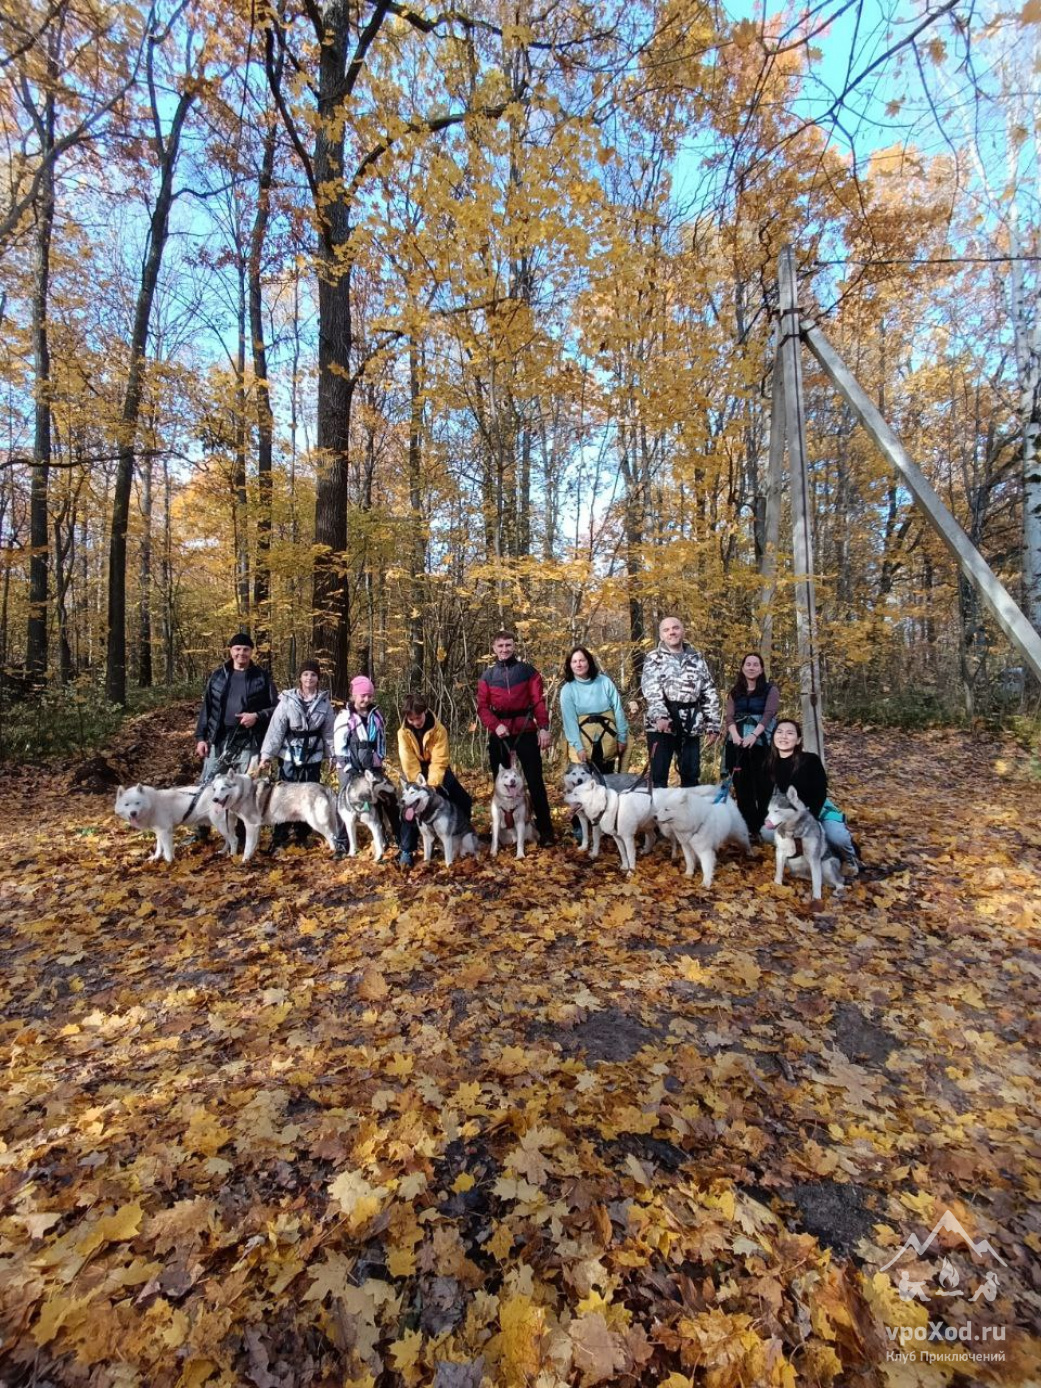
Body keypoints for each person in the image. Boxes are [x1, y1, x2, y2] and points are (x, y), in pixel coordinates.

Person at [476, 629, 556, 845]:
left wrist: (544, 727)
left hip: (526, 731)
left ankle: (546, 832)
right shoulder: (488, 676)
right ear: (494, 649)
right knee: (501, 783)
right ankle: (503, 832)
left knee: (535, 782)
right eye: (500, 646)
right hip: (500, 733)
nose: (504, 650)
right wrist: (495, 725)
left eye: (508, 645)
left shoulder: (528, 672)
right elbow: (482, 707)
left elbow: (538, 701)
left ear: (514, 646)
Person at [258, 659, 336, 852]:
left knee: (309, 795)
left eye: (313, 675)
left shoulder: (324, 703)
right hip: (289, 754)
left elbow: (329, 733)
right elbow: (276, 729)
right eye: (306, 674)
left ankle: (302, 836)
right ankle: (280, 837)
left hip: (313, 755)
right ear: (300, 677)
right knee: (284, 795)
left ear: (318, 678)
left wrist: (332, 756)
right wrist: (266, 755)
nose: (309, 678)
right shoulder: (287, 700)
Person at [763, 718, 860, 872]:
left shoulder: (810, 760)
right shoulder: (768, 764)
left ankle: (850, 858)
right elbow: (767, 797)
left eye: (790, 733)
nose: (784, 737)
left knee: (837, 837)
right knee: (766, 833)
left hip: (818, 810)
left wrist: (807, 822)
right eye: (779, 732)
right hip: (788, 815)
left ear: (798, 740)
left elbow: (819, 794)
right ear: (773, 737)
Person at [640, 616, 721, 787]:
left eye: (675, 628)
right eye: (666, 630)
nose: (672, 632)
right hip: (661, 725)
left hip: (691, 723)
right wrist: (660, 715)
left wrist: (712, 724)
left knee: (691, 775)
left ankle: (689, 813)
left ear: (682, 631)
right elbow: (651, 689)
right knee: (659, 776)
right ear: (661, 636)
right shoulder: (654, 658)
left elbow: (708, 691)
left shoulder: (697, 658)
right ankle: (659, 813)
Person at [396, 693, 473, 866]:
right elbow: (408, 761)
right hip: (414, 773)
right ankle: (407, 850)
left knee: (463, 800)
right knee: (409, 808)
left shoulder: (439, 730)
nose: (416, 722)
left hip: (438, 769)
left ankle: (458, 837)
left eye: (419, 717)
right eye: (412, 718)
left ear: (425, 711)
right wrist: (418, 783)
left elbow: (440, 760)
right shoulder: (403, 733)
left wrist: (432, 785)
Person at [194, 632, 278, 782]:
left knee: (246, 787)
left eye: (246, 649)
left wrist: (256, 716)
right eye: (237, 649)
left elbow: (276, 709)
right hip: (218, 739)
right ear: (231, 651)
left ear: (251, 652)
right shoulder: (218, 676)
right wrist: (201, 738)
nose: (241, 653)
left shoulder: (262, 677)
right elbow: (207, 708)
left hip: (249, 740)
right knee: (208, 786)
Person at [333, 675, 400, 857]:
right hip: (350, 766)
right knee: (346, 800)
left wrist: (379, 760)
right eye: (362, 695)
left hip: (373, 765)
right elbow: (339, 745)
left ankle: (399, 838)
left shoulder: (376, 715)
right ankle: (341, 844)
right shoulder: (345, 717)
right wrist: (348, 768)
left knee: (388, 796)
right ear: (354, 695)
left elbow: (381, 741)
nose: (366, 699)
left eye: (369, 696)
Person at [723, 652, 780, 840]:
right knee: (741, 785)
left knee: (764, 784)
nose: (752, 667)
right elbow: (729, 716)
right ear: (742, 667)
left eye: (756, 664)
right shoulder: (734, 692)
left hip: (762, 741)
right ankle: (747, 827)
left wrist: (754, 735)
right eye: (748, 664)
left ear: (761, 668)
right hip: (737, 741)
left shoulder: (770, 690)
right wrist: (735, 736)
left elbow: (769, 714)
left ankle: (763, 826)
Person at [558, 646, 629, 772]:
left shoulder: (604, 682)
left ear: (589, 662)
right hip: (583, 742)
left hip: (607, 740)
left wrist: (622, 737)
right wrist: (579, 747)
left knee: (607, 783)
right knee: (583, 786)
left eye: (582, 660)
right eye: (574, 662)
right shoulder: (567, 690)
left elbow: (618, 710)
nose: (578, 665)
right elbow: (569, 722)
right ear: (569, 665)